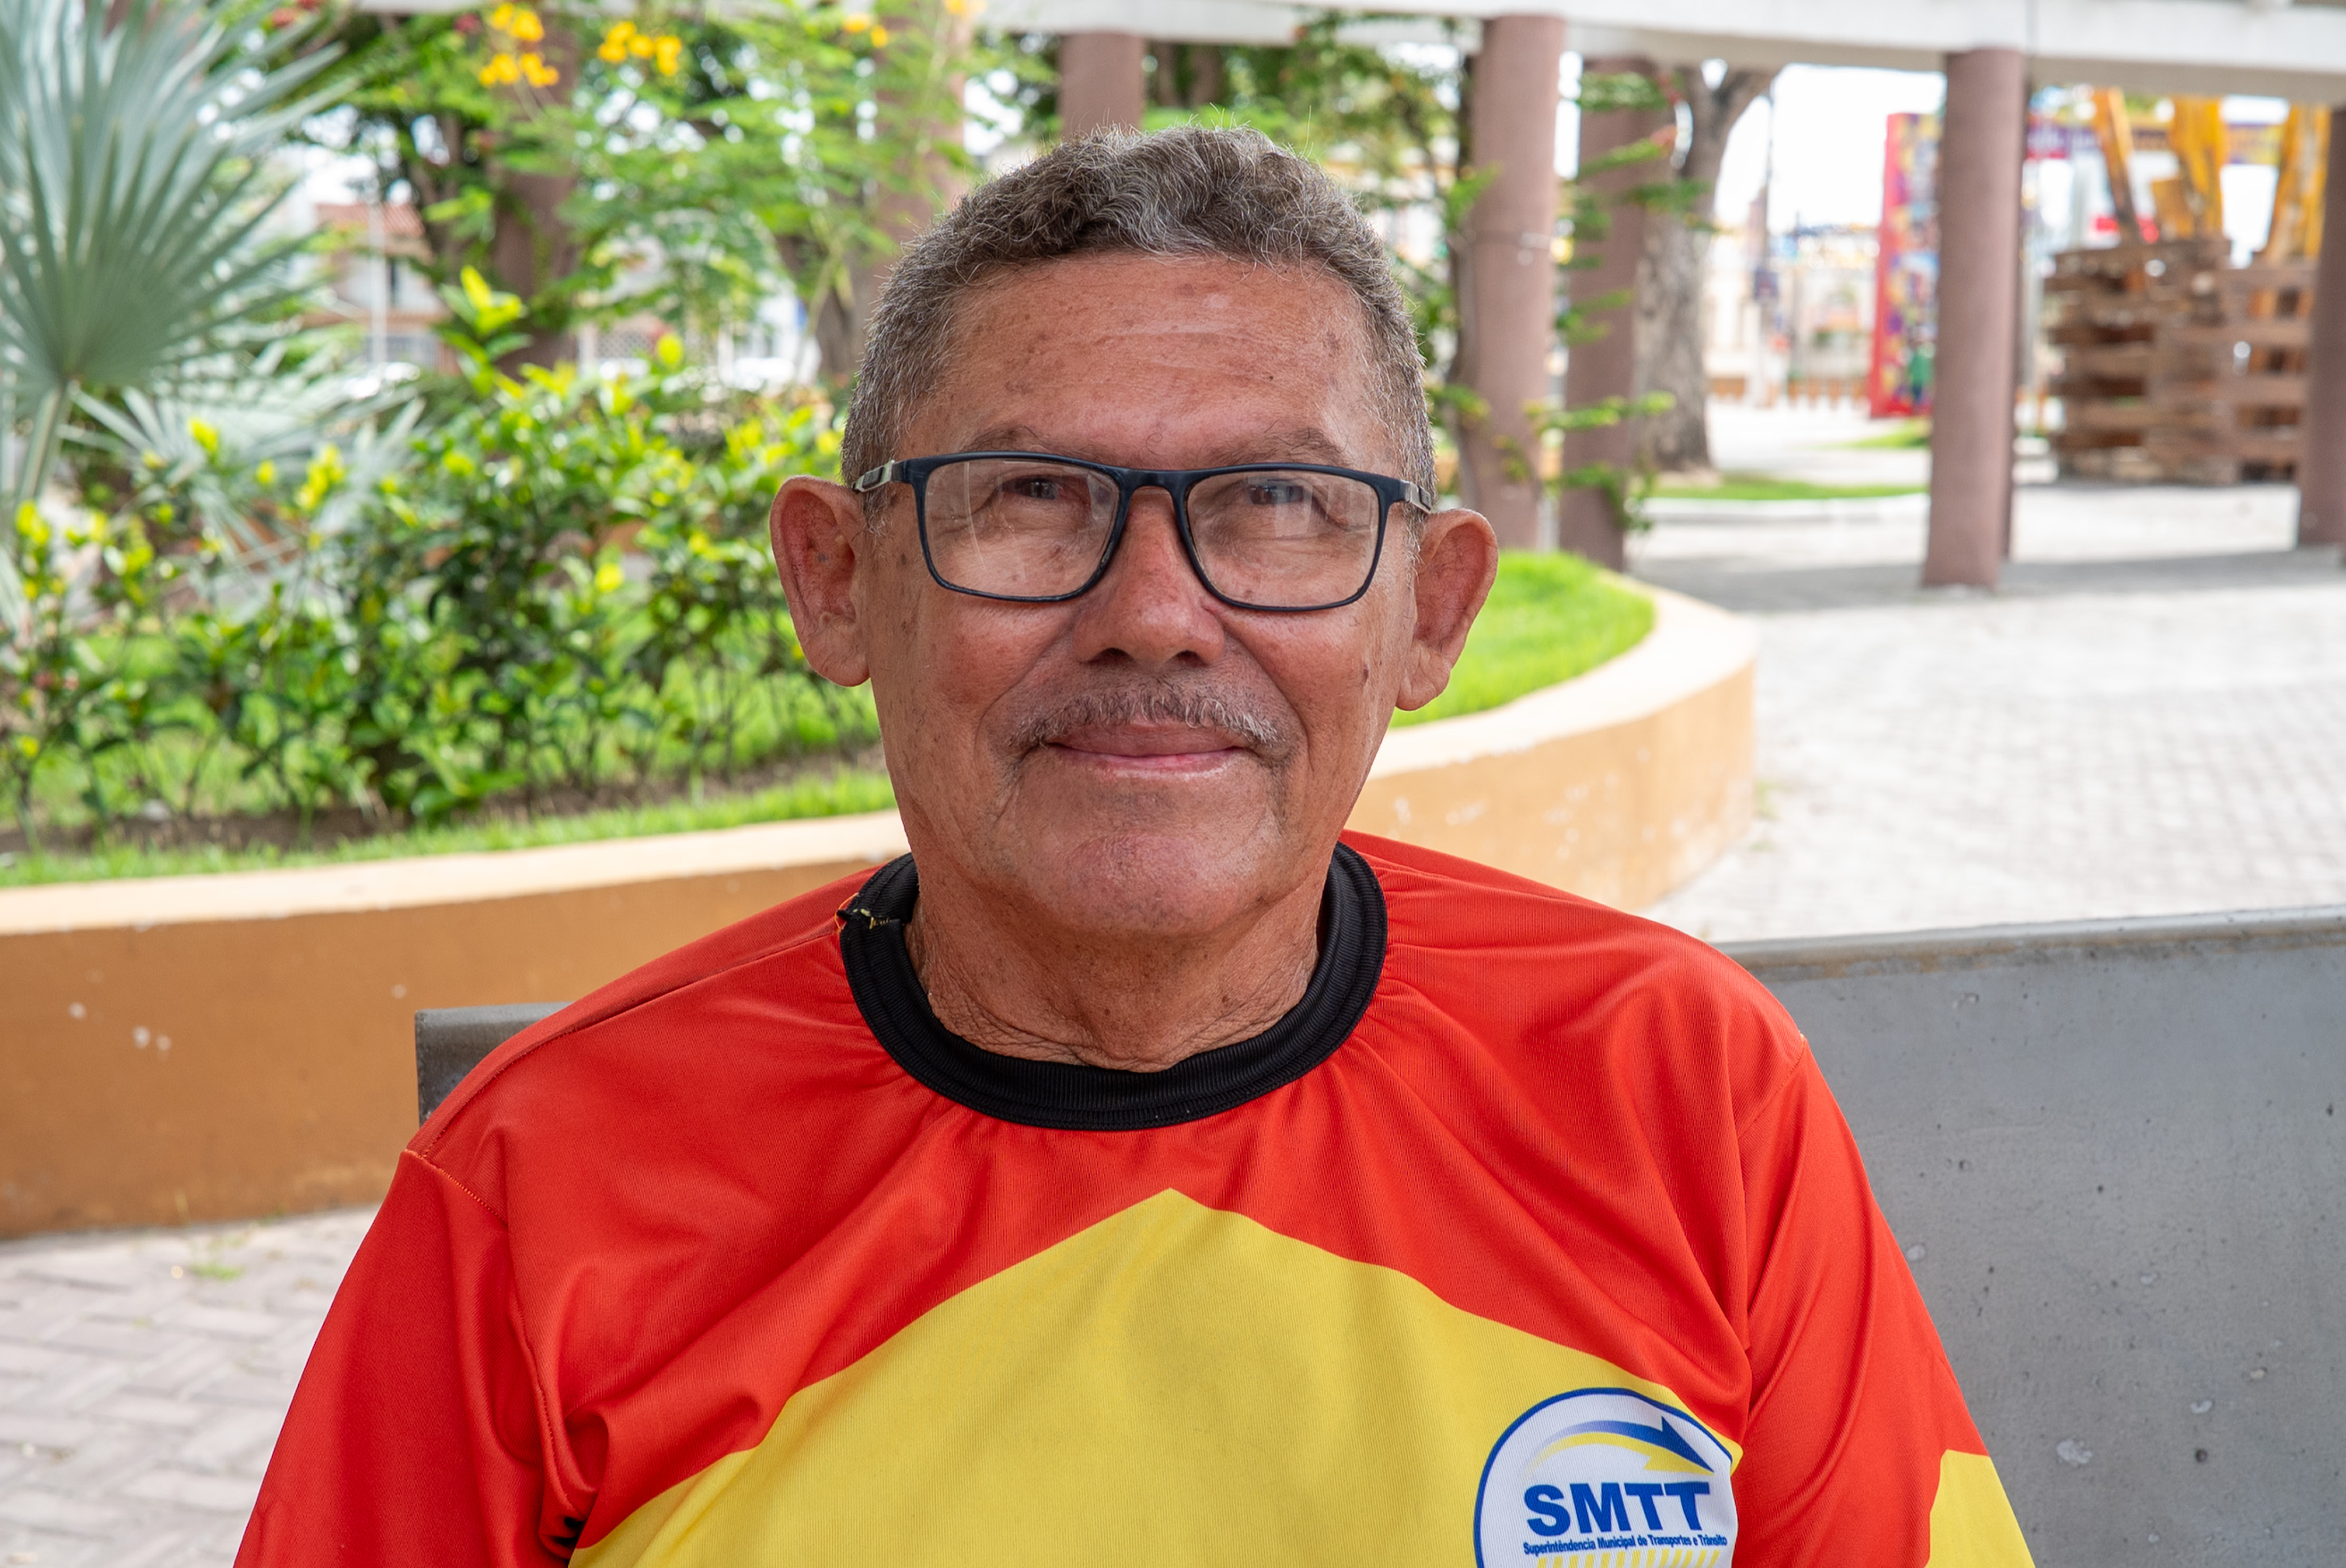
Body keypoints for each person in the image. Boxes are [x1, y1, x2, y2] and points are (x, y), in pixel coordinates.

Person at [237, 127, 2033, 1568]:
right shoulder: (540, 1183)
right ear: (836, 582)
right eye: (1030, 500)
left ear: (1429, 615)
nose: (1155, 614)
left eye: (1277, 506)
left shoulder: (1676, 1083)